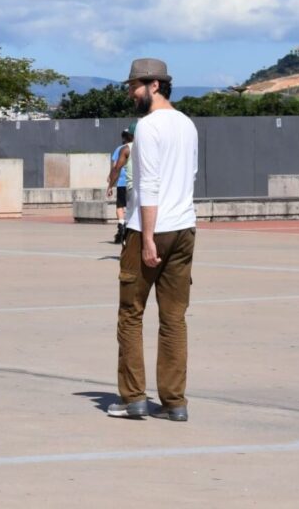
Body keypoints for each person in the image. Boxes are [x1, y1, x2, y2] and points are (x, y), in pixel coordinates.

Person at [108, 58, 198, 423]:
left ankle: (133, 399)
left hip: (151, 228)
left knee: (131, 314)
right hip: (185, 228)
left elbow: (149, 186)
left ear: (154, 86)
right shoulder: (188, 124)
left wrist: (146, 239)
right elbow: (189, 175)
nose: (131, 93)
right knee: (174, 318)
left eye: (134, 86)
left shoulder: (147, 127)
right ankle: (175, 402)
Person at [107, 124, 135, 244]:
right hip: (138, 185)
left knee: (120, 206)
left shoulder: (121, 149)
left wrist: (110, 183)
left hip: (123, 182)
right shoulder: (143, 147)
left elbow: (115, 167)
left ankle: (121, 225)